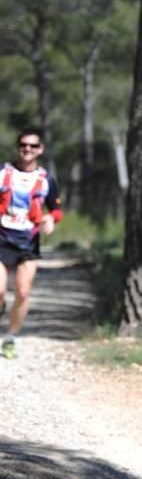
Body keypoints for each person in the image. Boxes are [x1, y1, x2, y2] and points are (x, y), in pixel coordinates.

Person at [0, 128, 62, 359]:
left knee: (23, 292)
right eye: (24, 145)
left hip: (28, 241)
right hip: (2, 237)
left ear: (40, 149)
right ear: (18, 147)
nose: (28, 149)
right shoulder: (3, 172)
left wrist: (50, 219)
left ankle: (11, 338)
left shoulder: (46, 180)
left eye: (33, 146)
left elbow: (57, 210)